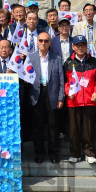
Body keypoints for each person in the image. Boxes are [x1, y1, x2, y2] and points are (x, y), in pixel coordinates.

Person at [63, 35, 96, 164]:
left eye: (83, 45)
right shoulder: (68, 63)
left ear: (87, 46)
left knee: (89, 129)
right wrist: (68, 91)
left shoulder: (94, 61)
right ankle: (74, 154)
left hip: (89, 100)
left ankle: (89, 153)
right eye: (77, 45)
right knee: (74, 130)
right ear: (73, 47)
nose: (80, 48)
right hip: (73, 101)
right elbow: (64, 82)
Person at [26, 32, 64, 164]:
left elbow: (61, 80)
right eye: (41, 40)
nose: (43, 43)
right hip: (37, 93)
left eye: (46, 41)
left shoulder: (56, 58)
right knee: (38, 125)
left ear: (50, 43)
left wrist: (61, 98)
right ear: (37, 42)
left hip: (51, 93)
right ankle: (39, 153)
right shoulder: (30, 58)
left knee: (53, 125)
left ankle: (54, 153)